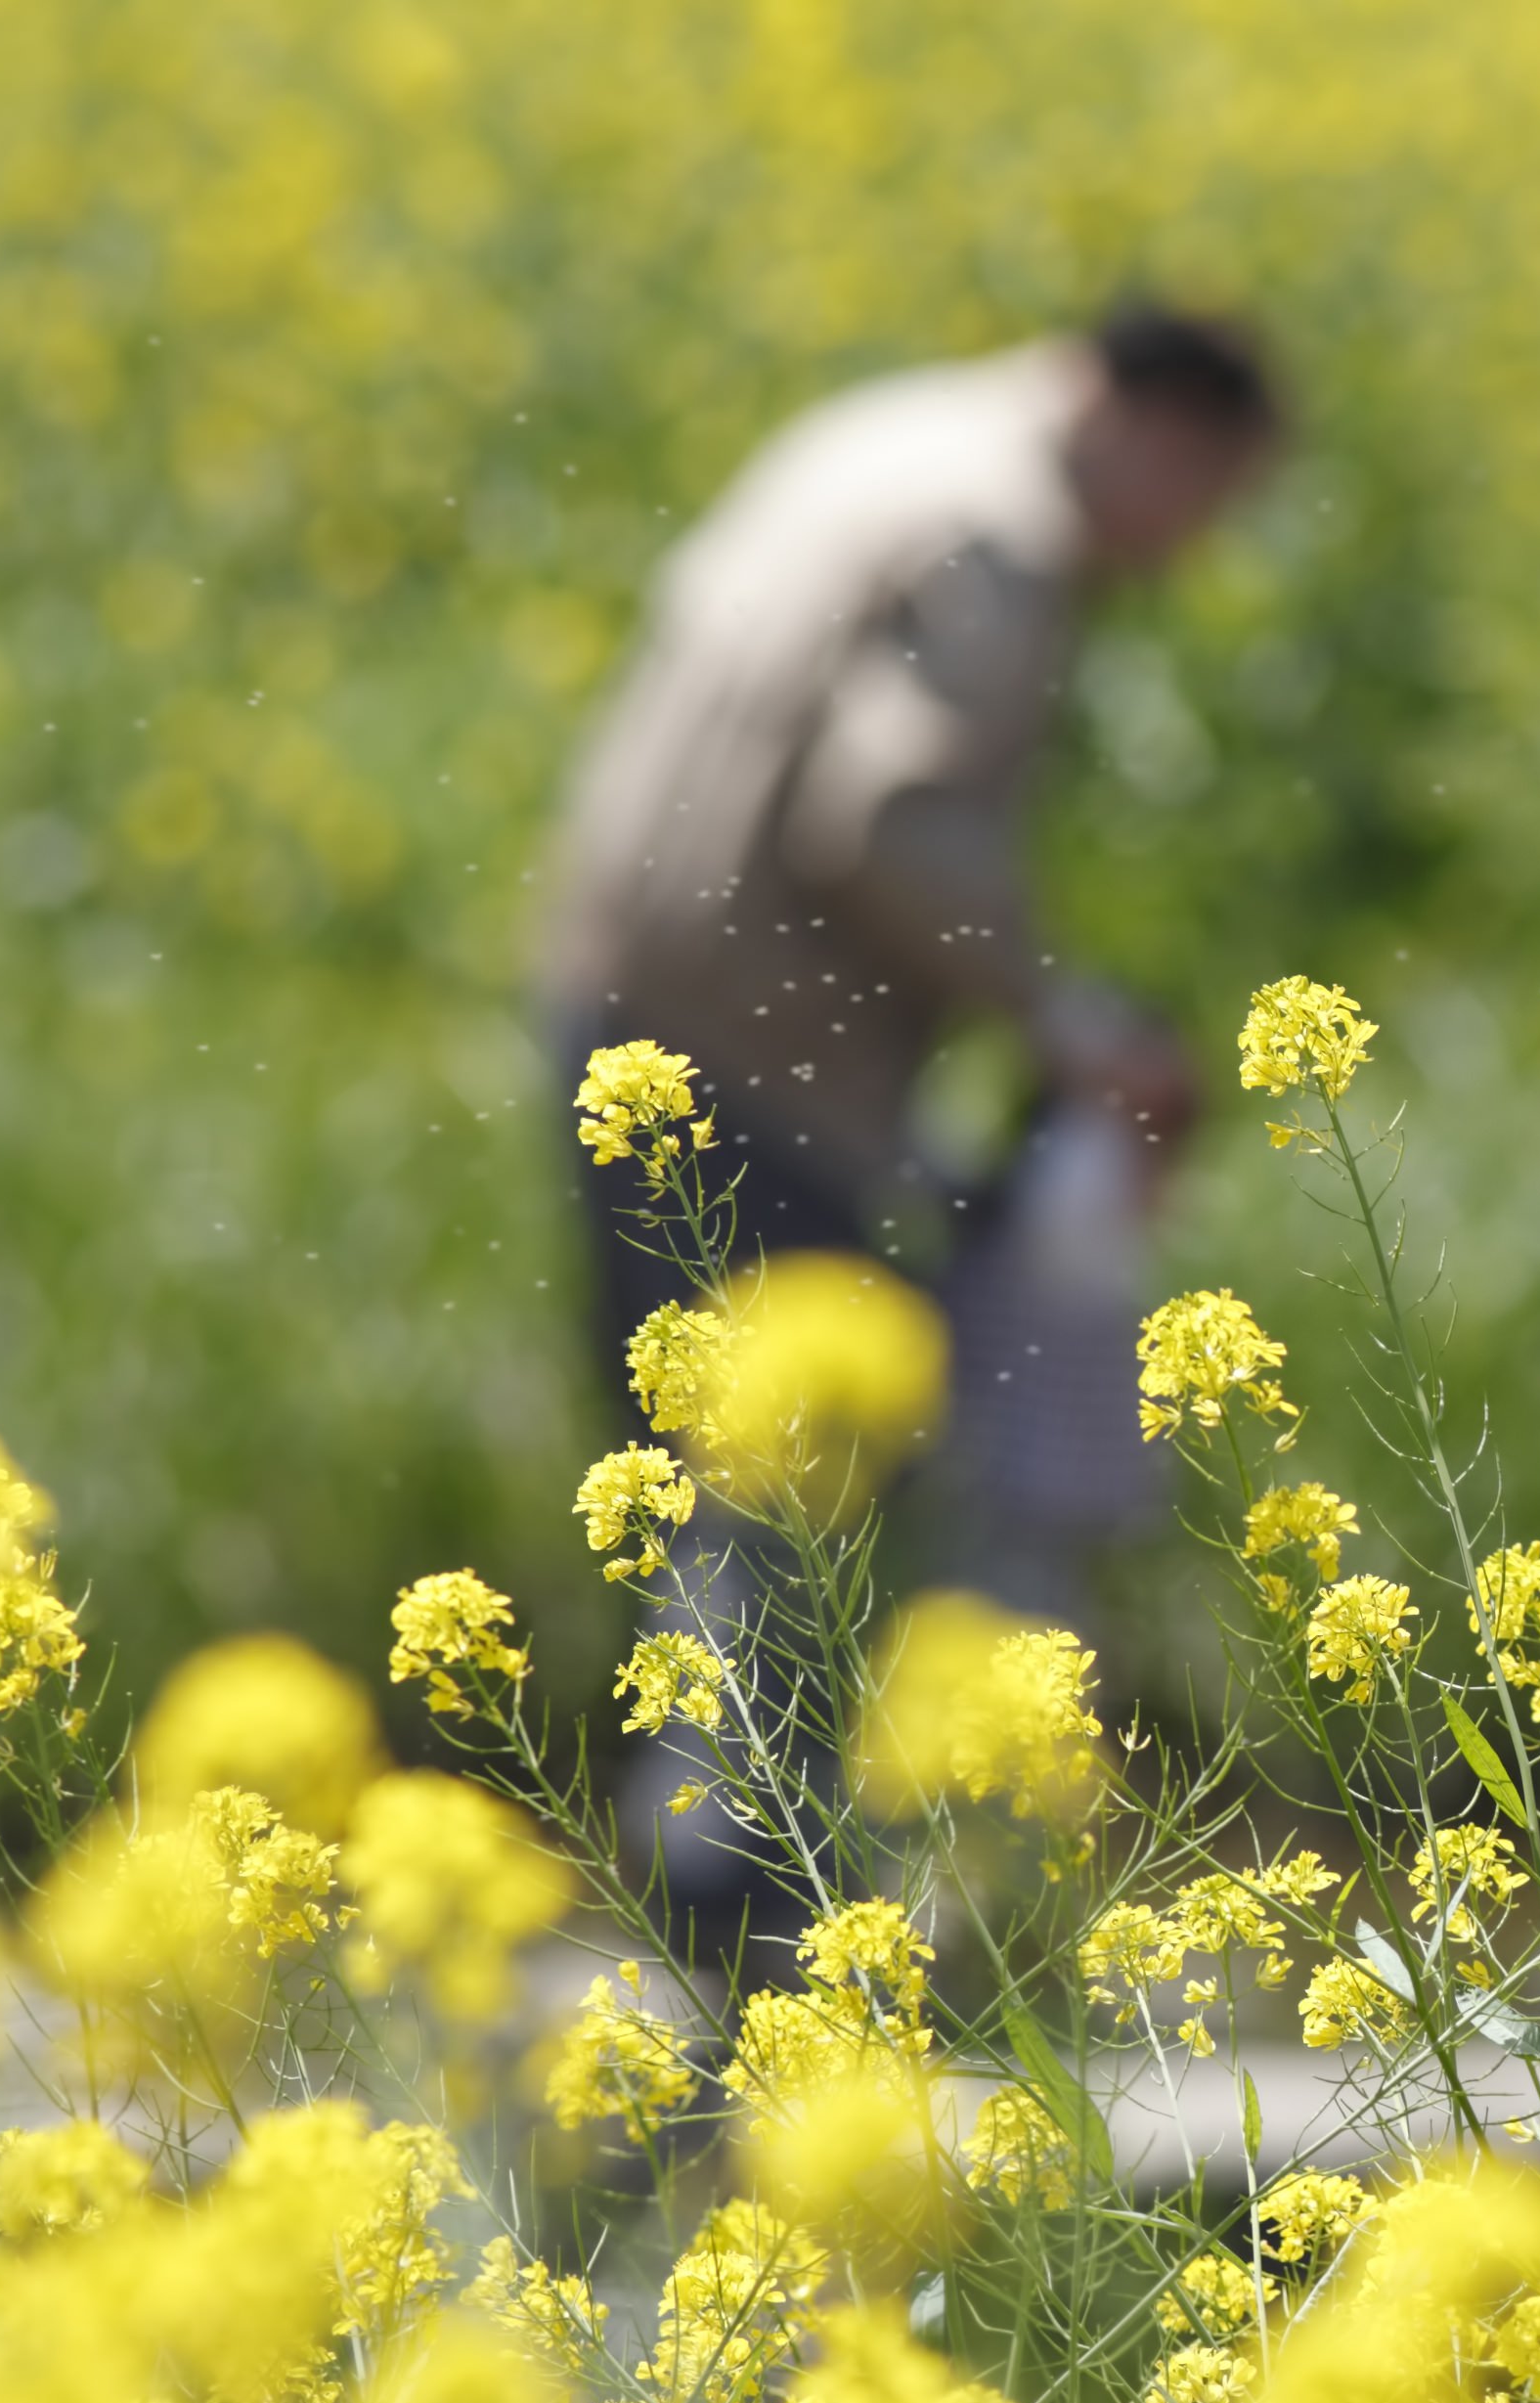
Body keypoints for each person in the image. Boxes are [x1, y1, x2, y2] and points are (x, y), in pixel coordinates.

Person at [540, 300, 1287, 1619]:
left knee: (702, 1461)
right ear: (1162, 433)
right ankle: (734, 1829)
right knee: (779, 1506)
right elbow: (888, 819)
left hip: (618, 991)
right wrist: (1064, 1020)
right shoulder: (1001, 533)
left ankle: (725, 1807)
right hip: (756, 1046)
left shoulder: (888, 433)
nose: (1192, 550)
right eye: (1214, 500)